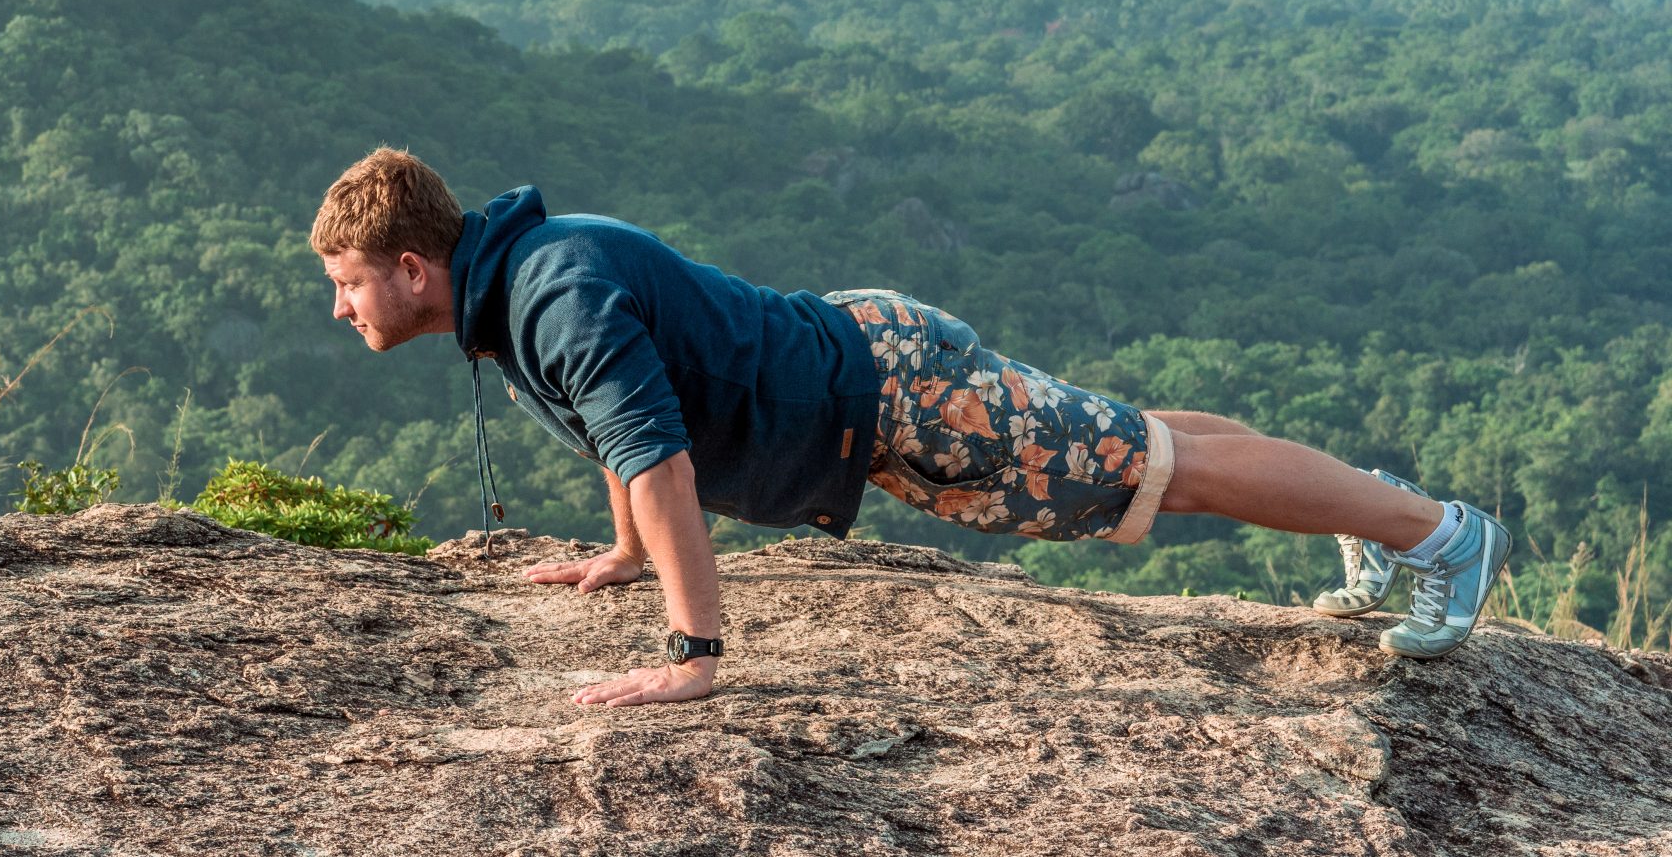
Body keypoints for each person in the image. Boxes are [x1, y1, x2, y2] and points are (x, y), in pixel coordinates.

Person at [311, 148, 1510, 709]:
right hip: (870, 362)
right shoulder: (523, 279)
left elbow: (657, 456)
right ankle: (1372, 506)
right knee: (1142, 437)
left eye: (349, 281)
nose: (341, 304)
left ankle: (1435, 534)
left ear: (412, 265)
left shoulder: (547, 294)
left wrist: (692, 654)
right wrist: (623, 552)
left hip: (892, 404)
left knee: (1158, 473)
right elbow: (635, 428)